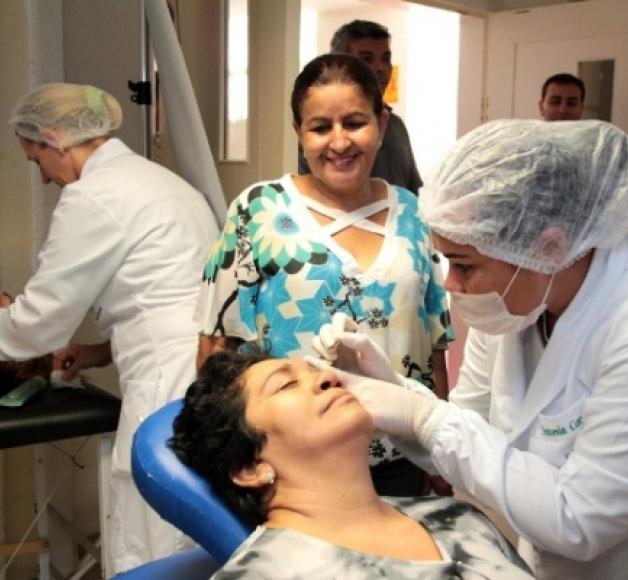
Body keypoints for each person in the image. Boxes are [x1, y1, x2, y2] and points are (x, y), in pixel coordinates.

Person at [314, 120, 628, 579]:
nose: (451, 283)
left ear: (549, 247)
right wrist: (395, 394)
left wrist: (423, 416)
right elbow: (467, 438)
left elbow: (581, 519)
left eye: (464, 265)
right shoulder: (518, 302)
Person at [197, 54, 453, 497]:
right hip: (293, 461)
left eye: (354, 122)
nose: (339, 142)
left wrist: (440, 449)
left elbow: (433, 343)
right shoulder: (257, 211)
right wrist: (223, 458)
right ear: (299, 132)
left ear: (382, 123)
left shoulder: (414, 213)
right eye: (320, 127)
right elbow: (217, 347)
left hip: (401, 455)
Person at [0, 83, 219, 573]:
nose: (43, 178)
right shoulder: (159, 180)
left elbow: (37, 324)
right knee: (191, 524)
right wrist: (98, 352)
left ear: (55, 138)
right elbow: (164, 293)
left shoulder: (93, 197)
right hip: (203, 370)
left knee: (155, 531)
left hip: (165, 382)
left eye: (36, 161)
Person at [168, 352, 531, 578]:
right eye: (286, 384)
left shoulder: (457, 517)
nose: (328, 377)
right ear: (250, 467)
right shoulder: (263, 573)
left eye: (316, 370)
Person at [298, 20, 422, 194]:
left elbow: (416, 192)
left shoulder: (396, 126)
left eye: (385, 58)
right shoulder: (312, 132)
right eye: (366, 59)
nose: (380, 68)